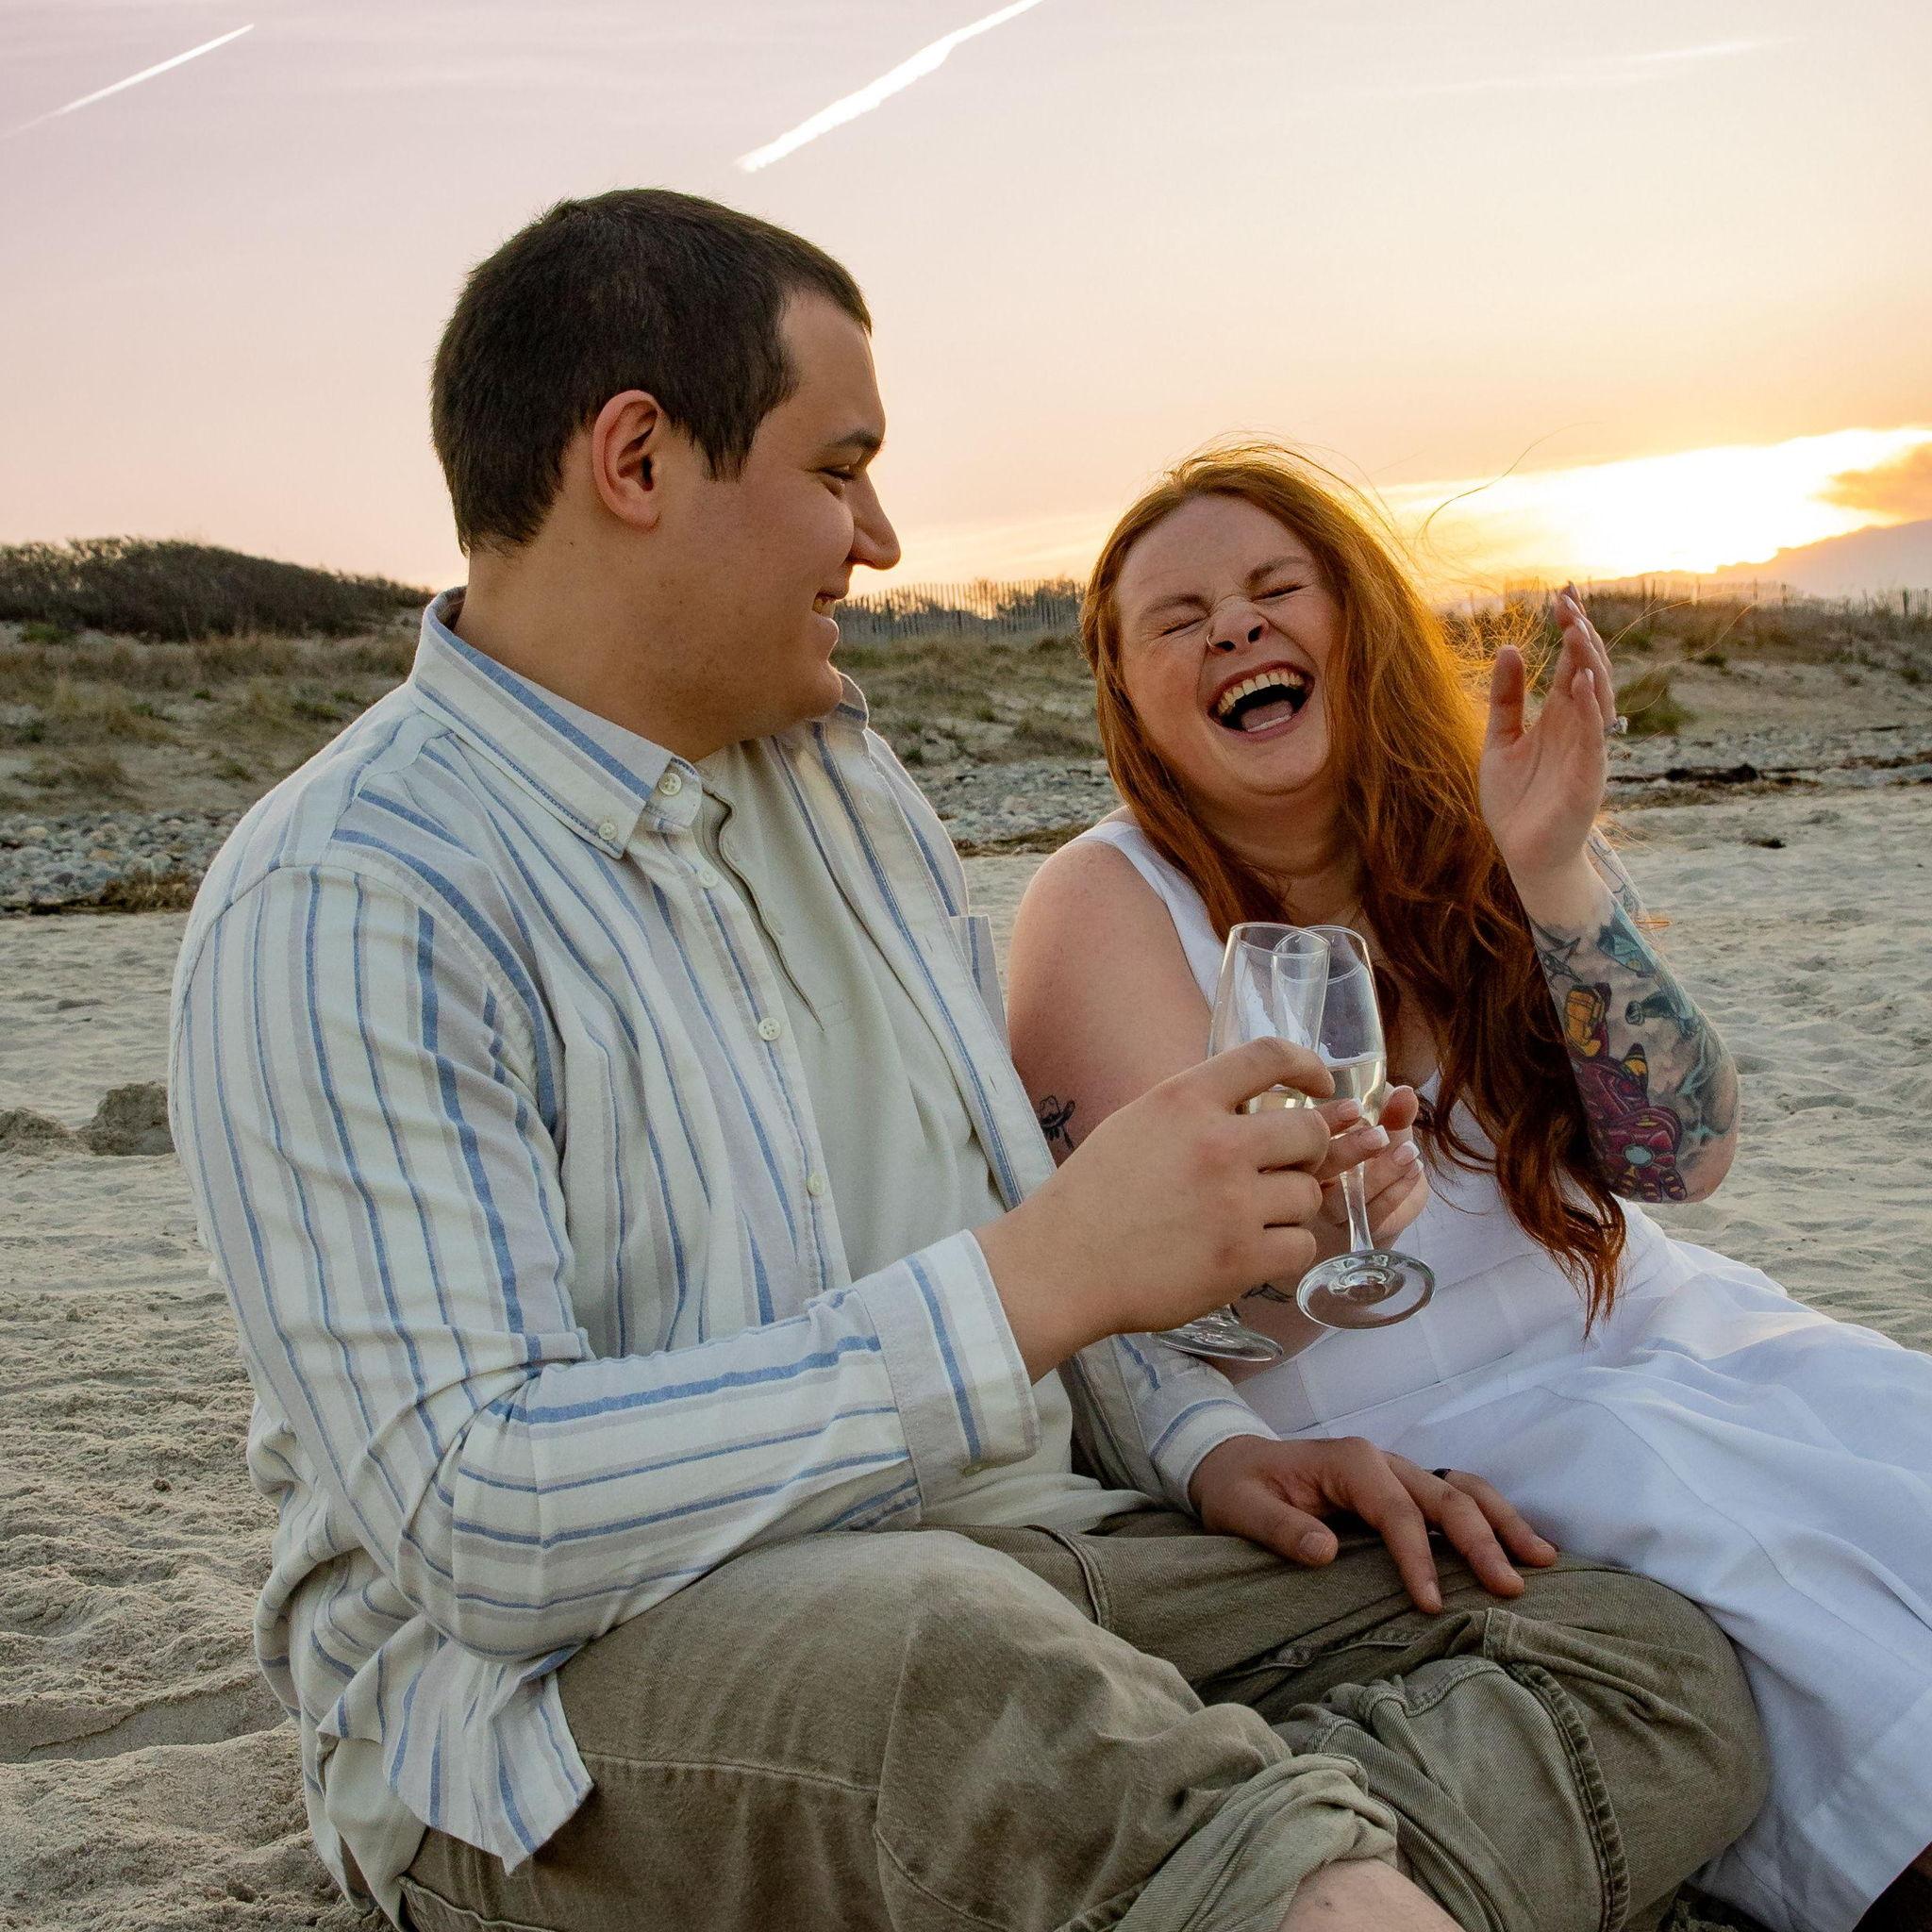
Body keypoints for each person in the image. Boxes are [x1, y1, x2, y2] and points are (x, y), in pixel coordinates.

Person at [169, 194, 1768, 1932]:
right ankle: (1261, 1874)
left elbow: (995, 1197)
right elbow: (484, 1522)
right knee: (955, 1671)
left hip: (1035, 1561)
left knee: (1634, 1650)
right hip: (570, 1697)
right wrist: (1030, 1287)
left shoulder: (852, 794)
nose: (880, 537)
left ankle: (1248, 1874)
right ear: (637, 459)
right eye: (839, 467)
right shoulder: (356, 892)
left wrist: (1205, 1448)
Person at [1005, 441, 1932, 1932]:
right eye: (1178, 620)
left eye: (1273, 587)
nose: (1235, 627)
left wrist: (1555, 870)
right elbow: (1145, 1323)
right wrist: (1297, 1244)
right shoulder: (1105, 904)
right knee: (1790, 1598)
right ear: (1130, 693)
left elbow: (1680, 1159)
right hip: (1408, 1427)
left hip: (1666, 1332)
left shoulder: (1476, 820)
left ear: (1354, 621)